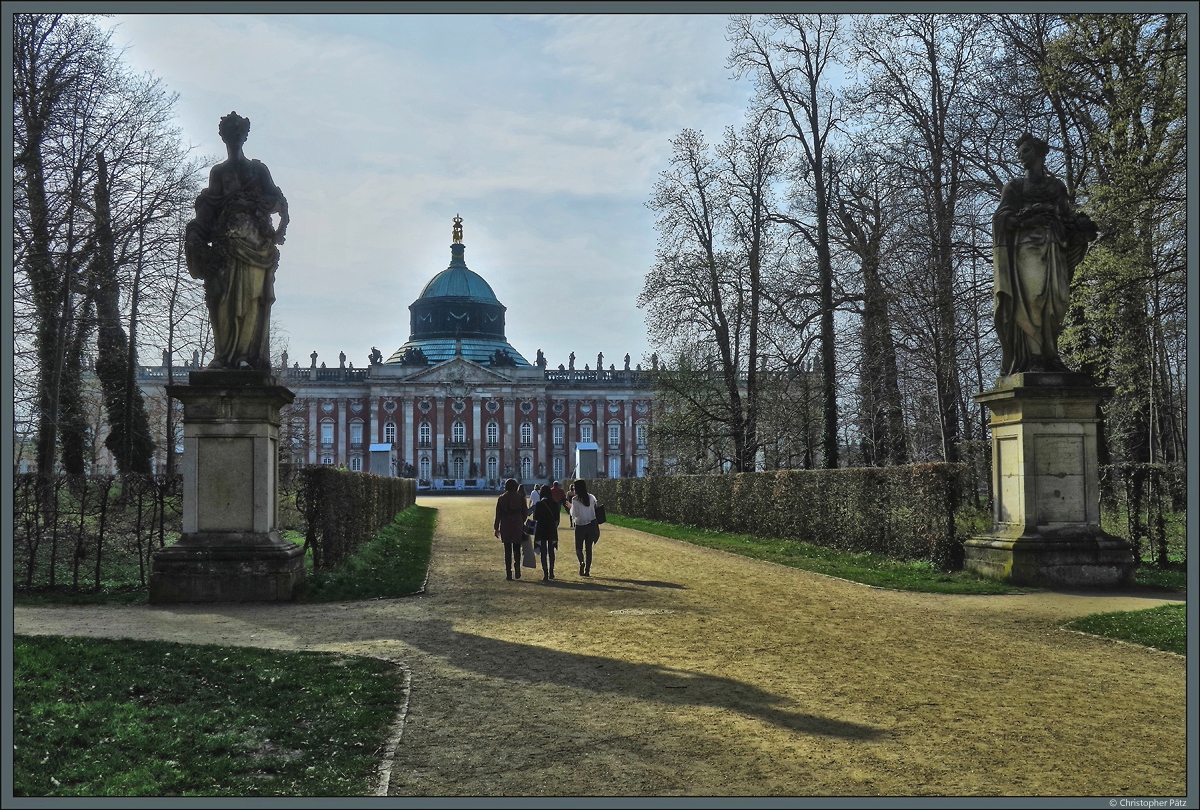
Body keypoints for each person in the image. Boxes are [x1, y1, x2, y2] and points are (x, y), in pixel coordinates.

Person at [185, 111, 289, 371]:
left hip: (254, 246)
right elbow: (208, 209)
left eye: (238, 134)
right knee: (221, 299)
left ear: (244, 137)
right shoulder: (219, 172)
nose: (234, 139)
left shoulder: (257, 169)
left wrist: (255, 203)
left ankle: (244, 355)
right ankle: (223, 355)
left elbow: (278, 202)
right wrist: (195, 231)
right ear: (223, 138)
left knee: (251, 299)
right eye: (230, 134)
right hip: (225, 246)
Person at [992, 132, 1097, 376]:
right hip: (1027, 248)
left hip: (1055, 248)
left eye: (1026, 152)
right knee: (1032, 300)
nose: (1021, 158)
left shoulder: (1055, 186)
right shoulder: (1015, 187)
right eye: (1019, 154)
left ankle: (1051, 355)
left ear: (1039, 153)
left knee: (1058, 301)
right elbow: (1001, 218)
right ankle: (1035, 356)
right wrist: (1026, 218)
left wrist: (1082, 228)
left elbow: (1067, 217)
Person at [494, 478, 528, 580]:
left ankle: (508, 573)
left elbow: (498, 515)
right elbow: (525, 513)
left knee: (507, 550)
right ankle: (517, 566)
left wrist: (496, 528)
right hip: (517, 524)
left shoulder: (501, 498)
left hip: (505, 525)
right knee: (517, 548)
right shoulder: (520, 497)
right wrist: (521, 521)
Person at [569, 479, 600, 577]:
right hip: (591, 524)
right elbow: (595, 508)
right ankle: (587, 570)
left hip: (580, 525)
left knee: (578, 547)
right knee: (588, 548)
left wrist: (570, 507)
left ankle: (581, 562)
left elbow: (574, 514)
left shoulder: (575, 500)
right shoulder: (591, 497)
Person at [533, 484, 561, 580]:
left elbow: (535, 518)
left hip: (541, 529)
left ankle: (545, 573)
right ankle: (551, 571)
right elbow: (557, 519)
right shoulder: (555, 504)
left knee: (543, 551)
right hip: (551, 529)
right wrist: (554, 527)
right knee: (551, 551)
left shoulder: (539, 504)